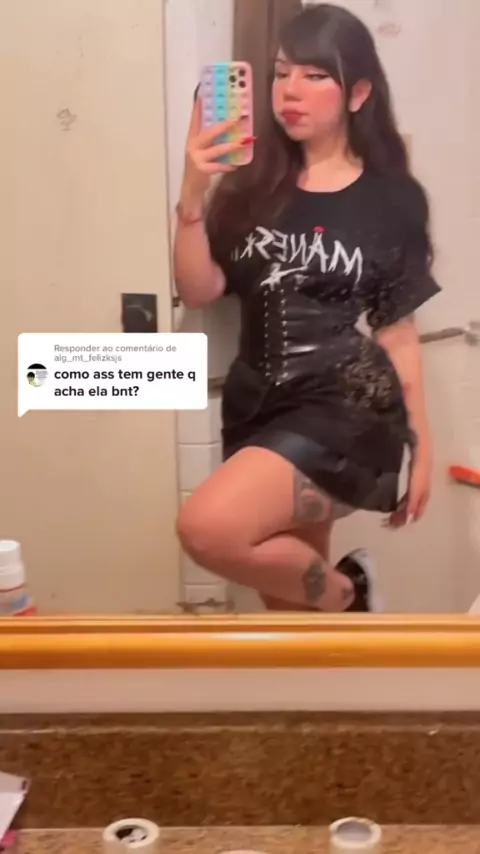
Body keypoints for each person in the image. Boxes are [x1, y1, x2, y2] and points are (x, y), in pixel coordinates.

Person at [173, 3, 441, 613]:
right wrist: (191, 193)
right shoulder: (250, 187)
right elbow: (200, 290)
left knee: (207, 528)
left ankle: (349, 591)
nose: (290, 90)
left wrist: (422, 448)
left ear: (358, 93)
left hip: (343, 408)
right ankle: (336, 626)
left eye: (315, 75)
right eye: (281, 73)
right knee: (293, 609)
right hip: (256, 403)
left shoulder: (390, 199)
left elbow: (397, 330)